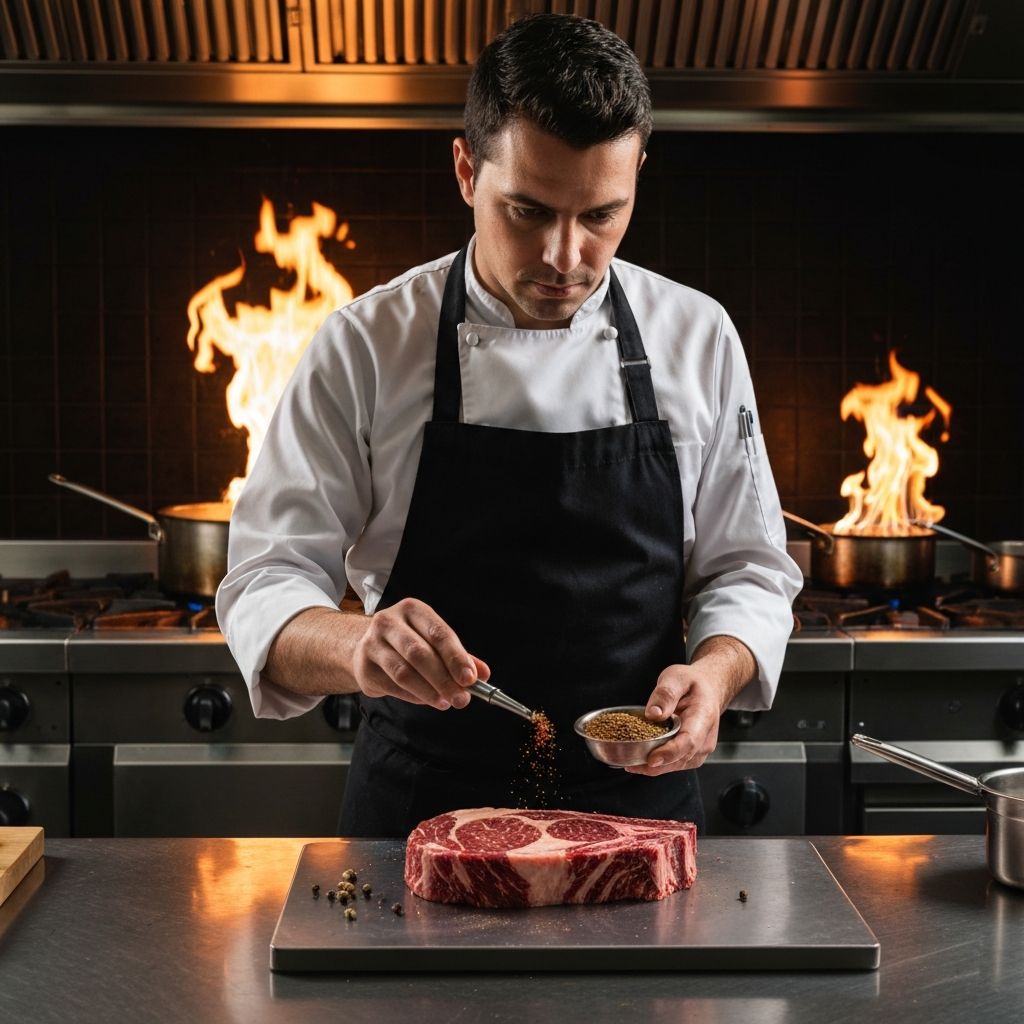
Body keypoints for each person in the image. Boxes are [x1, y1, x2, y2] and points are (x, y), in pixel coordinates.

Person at [216, 13, 802, 837]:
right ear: (466, 170)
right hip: (421, 821)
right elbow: (264, 586)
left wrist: (716, 669)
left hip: (637, 818)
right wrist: (357, 645)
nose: (565, 255)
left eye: (601, 215)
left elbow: (748, 570)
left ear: (637, 174)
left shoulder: (697, 336)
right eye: (528, 211)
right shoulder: (368, 344)